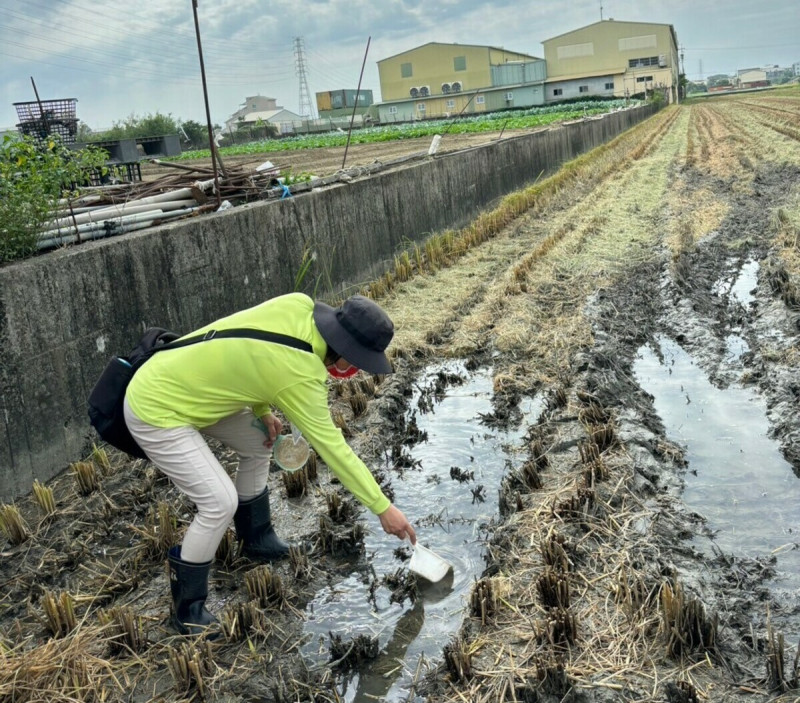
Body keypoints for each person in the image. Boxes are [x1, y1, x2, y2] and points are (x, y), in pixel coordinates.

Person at [123, 292, 417, 635]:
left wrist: (262, 411)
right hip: (155, 405)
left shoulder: (299, 305)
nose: (355, 371)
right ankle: (187, 610)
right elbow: (334, 449)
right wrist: (382, 507)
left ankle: (257, 538)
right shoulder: (301, 371)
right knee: (218, 502)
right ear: (346, 358)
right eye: (358, 363)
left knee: (259, 442)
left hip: (192, 388)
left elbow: (252, 350)